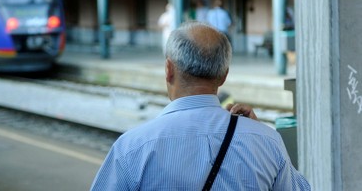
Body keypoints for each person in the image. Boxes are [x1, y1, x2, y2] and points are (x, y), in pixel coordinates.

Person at [90, 22, 310, 190]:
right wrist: (258, 131)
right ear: (224, 76)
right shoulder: (267, 142)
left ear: (169, 69)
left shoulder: (132, 148)